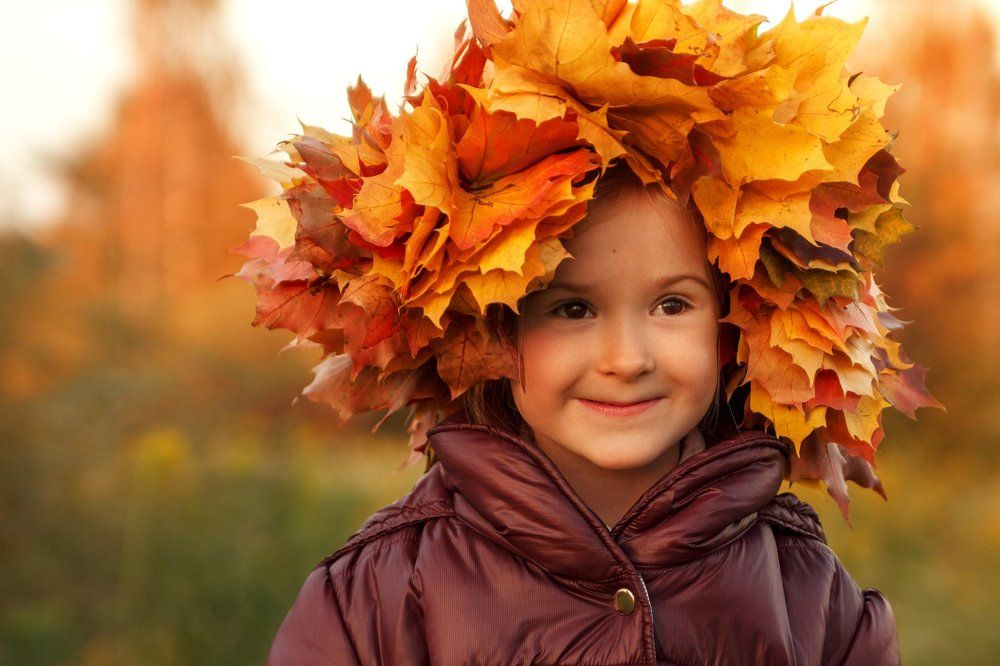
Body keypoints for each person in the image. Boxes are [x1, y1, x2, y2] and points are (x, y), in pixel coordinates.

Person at [239, 1, 940, 663]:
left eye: (672, 306)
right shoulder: (377, 600)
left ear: (743, 320)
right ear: (488, 334)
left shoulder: (809, 598)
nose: (626, 358)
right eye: (572, 309)